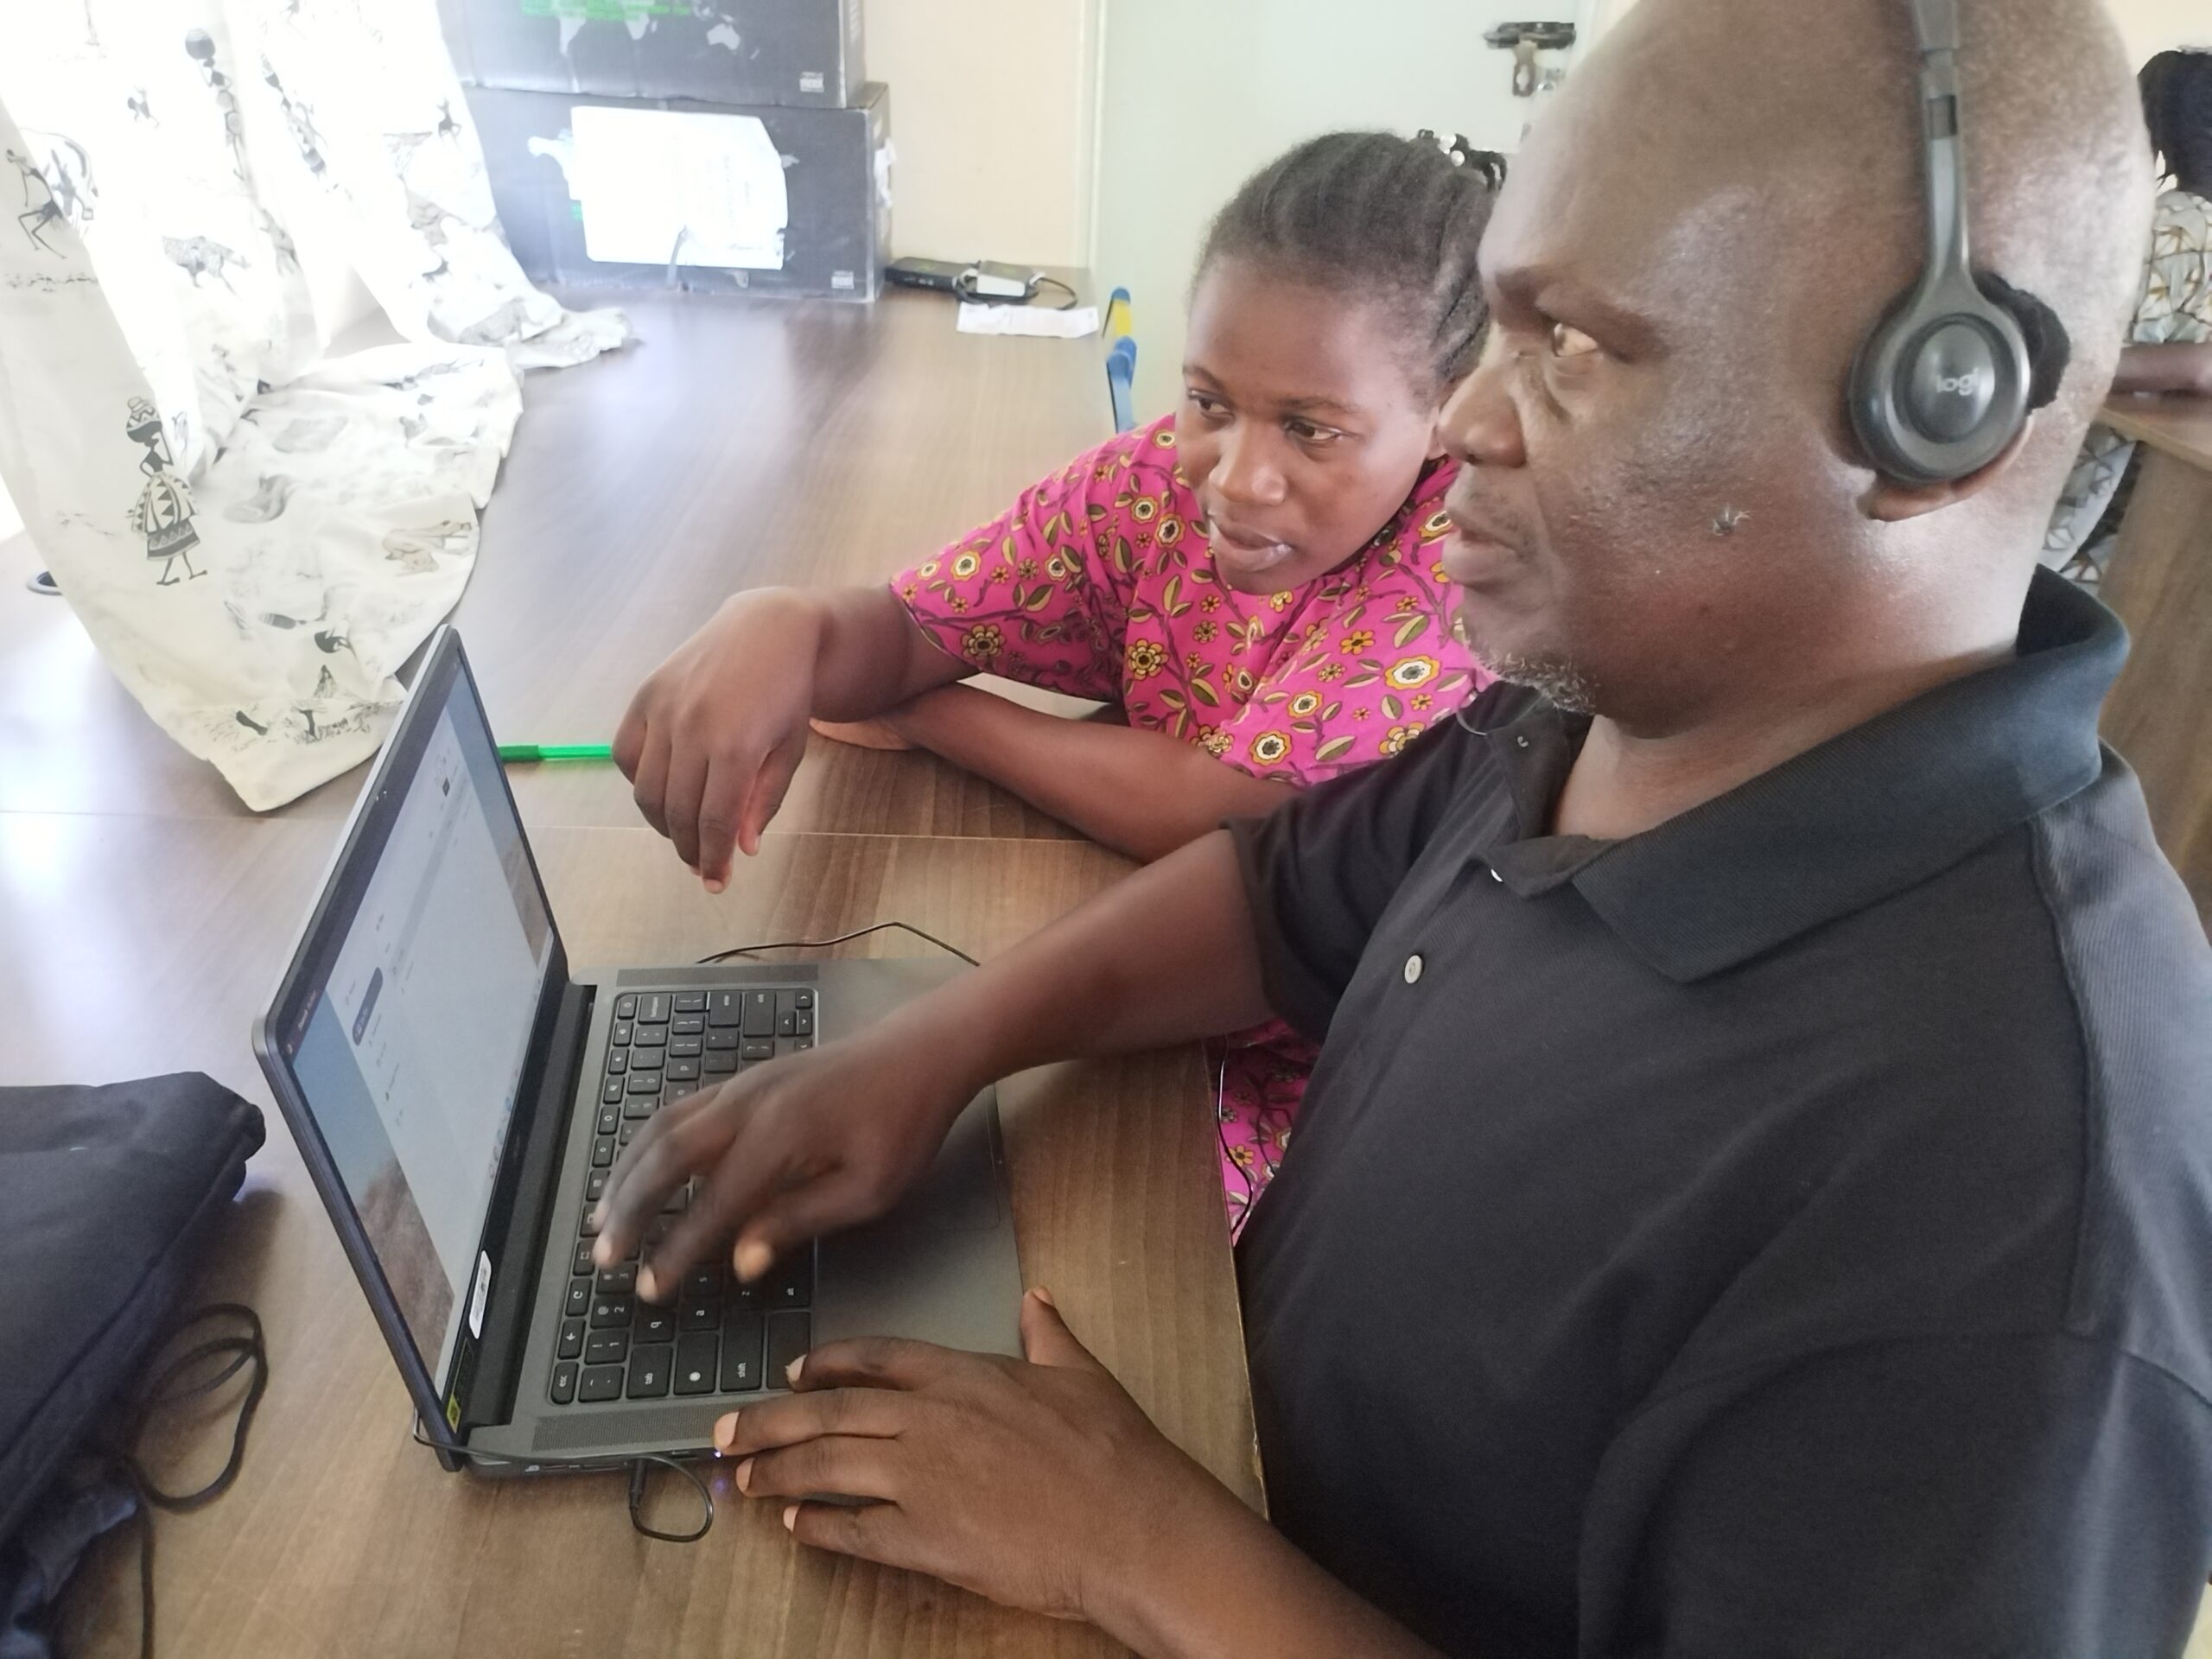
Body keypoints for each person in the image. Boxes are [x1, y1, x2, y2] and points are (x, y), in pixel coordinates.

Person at [594, 0, 2212, 1652]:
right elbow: (1280, 892)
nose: (1462, 424)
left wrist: (1141, 1549)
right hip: (1224, 1446)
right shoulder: (1623, 707)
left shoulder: (2015, 1237)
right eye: (1496, 330)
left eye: (1571, 348)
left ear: (1929, 414)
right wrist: (936, 1049)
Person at [617, 132, 1497, 1232]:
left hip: (1296, 1105)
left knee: (1041, 1269)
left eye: (1310, 430)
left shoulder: (1462, 568)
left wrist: (936, 715)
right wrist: (780, 625)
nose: (1234, 475)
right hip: (1117, 990)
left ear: (1450, 415)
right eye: (1208, 400)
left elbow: (1228, 821)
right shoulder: (1142, 496)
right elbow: (908, 623)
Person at [2044, 46, 2212, 584]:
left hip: (2094, 516)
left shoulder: (2165, 229)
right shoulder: (2174, 230)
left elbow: (2080, 363)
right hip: (2165, 520)